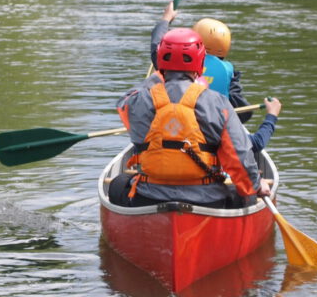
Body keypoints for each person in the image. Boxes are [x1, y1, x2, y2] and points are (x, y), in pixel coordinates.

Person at [108, 27, 272, 209]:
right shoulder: (218, 103)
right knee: (246, 194)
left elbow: (124, 101)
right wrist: (255, 186)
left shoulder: (135, 101)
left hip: (149, 198)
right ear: (200, 63)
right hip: (208, 201)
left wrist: (158, 75)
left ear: (160, 62)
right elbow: (239, 155)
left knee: (117, 186)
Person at [149, 1, 281, 150]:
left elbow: (156, 44)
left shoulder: (166, 65)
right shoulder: (226, 80)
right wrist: (272, 115)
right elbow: (253, 137)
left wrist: (166, 19)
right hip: (212, 139)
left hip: (167, 142)